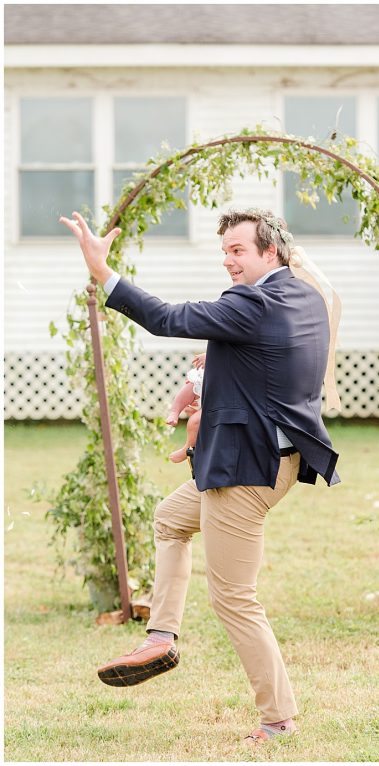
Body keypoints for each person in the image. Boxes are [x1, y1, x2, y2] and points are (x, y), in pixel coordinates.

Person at [60, 207, 341, 745]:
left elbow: (169, 318)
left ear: (270, 252)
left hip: (243, 469)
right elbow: (262, 363)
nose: (229, 261)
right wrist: (200, 382)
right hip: (275, 460)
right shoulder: (304, 295)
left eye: (238, 250)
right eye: (225, 251)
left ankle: (278, 719)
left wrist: (103, 272)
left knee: (234, 596)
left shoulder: (251, 302)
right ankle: (161, 636)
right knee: (170, 519)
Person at [166, 353, 205, 464]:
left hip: (223, 395)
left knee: (195, 422)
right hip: (210, 383)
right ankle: (174, 411)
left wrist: (212, 357)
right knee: (192, 384)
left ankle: (187, 448)